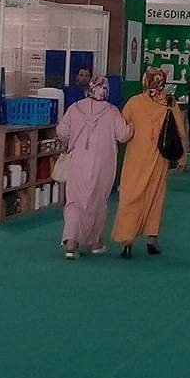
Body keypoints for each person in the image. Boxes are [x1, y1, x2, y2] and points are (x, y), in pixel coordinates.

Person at [56, 74, 130, 258]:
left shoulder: (75, 108)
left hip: (78, 161)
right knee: (98, 201)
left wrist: (68, 141)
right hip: (103, 164)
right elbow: (123, 135)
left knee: (75, 201)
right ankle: (94, 243)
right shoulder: (112, 111)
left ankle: (71, 242)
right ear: (106, 91)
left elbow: (62, 131)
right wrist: (132, 126)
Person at [116, 68, 186, 257]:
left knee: (130, 196)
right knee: (155, 196)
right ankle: (152, 240)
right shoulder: (170, 103)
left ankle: (127, 240)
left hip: (135, 158)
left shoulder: (134, 102)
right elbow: (180, 131)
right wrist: (182, 157)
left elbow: (122, 128)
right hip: (159, 158)